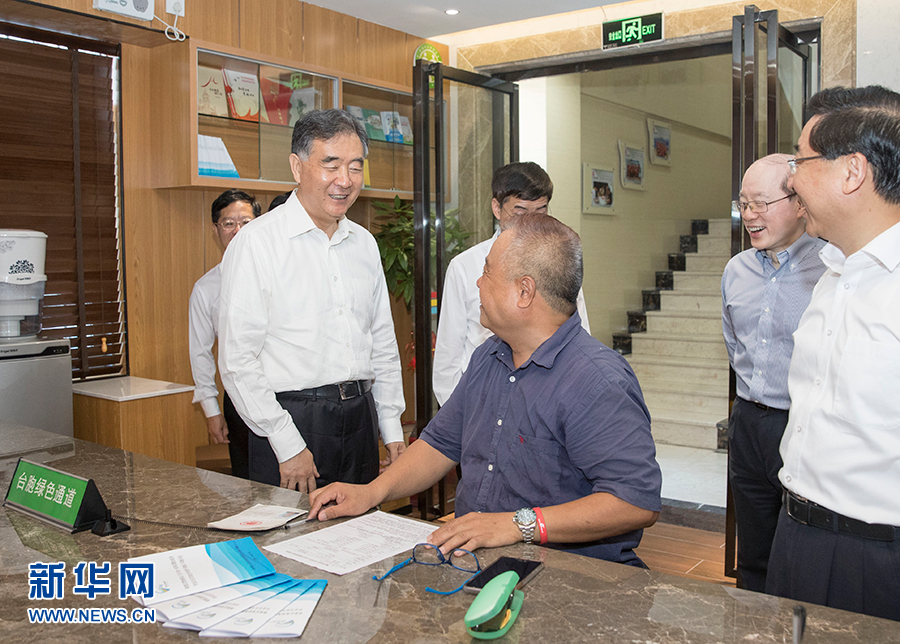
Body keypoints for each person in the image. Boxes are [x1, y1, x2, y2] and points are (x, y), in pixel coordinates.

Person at [310, 214, 661, 565]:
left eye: (488, 272)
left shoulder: (597, 381)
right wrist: (372, 492)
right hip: (475, 559)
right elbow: (440, 443)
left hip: (569, 572)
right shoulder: (489, 356)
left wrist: (517, 525)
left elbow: (634, 502)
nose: (478, 282)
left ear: (524, 292)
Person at [218, 109, 406, 493]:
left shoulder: (364, 244)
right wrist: (287, 443)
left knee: (361, 528)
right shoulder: (257, 243)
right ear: (297, 166)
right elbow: (238, 360)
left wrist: (390, 427)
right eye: (331, 165)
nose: (345, 180)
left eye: (356, 167)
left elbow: (382, 344)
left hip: (359, 418)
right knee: (290, 531)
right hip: (289, 423)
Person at [766, 85, 900, 621]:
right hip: (797, 534)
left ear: (852, 172)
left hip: (874, 558)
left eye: (800, 160)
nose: (790, 178)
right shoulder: (831, 272)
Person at [721, 155, 825, 592]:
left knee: (803, 553)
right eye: (743, 203)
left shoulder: (830, 270)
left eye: (761, 203)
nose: (749, 215)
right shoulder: (736, 271)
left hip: (803, 424)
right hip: (748, 422)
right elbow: (735, 347)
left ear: (799, 203)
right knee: (753, 552)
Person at [432, 162, 590, 407]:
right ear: (497, 208)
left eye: (540, 211)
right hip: (483, 400)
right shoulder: (465, 267)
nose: (531, 222)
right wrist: (460, 417)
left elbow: (581, 335)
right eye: (520, 212)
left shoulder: (560, 263)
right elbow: (448, 359)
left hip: (546, 400)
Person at [189, 189, 261, 480]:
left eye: (246, 222)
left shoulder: (281, 275)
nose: (238, 230)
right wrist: (211, 410)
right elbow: (200, 352)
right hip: (240, 398)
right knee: (250, 482)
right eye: (228, 223)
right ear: (215, 229)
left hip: (291, 394)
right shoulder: (206, 288)